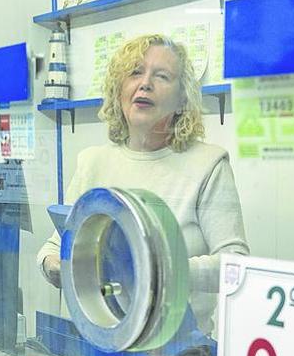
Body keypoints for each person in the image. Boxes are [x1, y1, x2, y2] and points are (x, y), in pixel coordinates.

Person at [37, 33, 249, 335]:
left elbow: (236, 265)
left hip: (176, 353)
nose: (145, 83)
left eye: (162, 76)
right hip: (92, 343)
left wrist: (160, 272)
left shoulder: (209, 164)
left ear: (181, 99)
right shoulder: (92, 161)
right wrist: (61, 267)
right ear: (118, 89)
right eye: (135, 72)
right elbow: (52, 247)